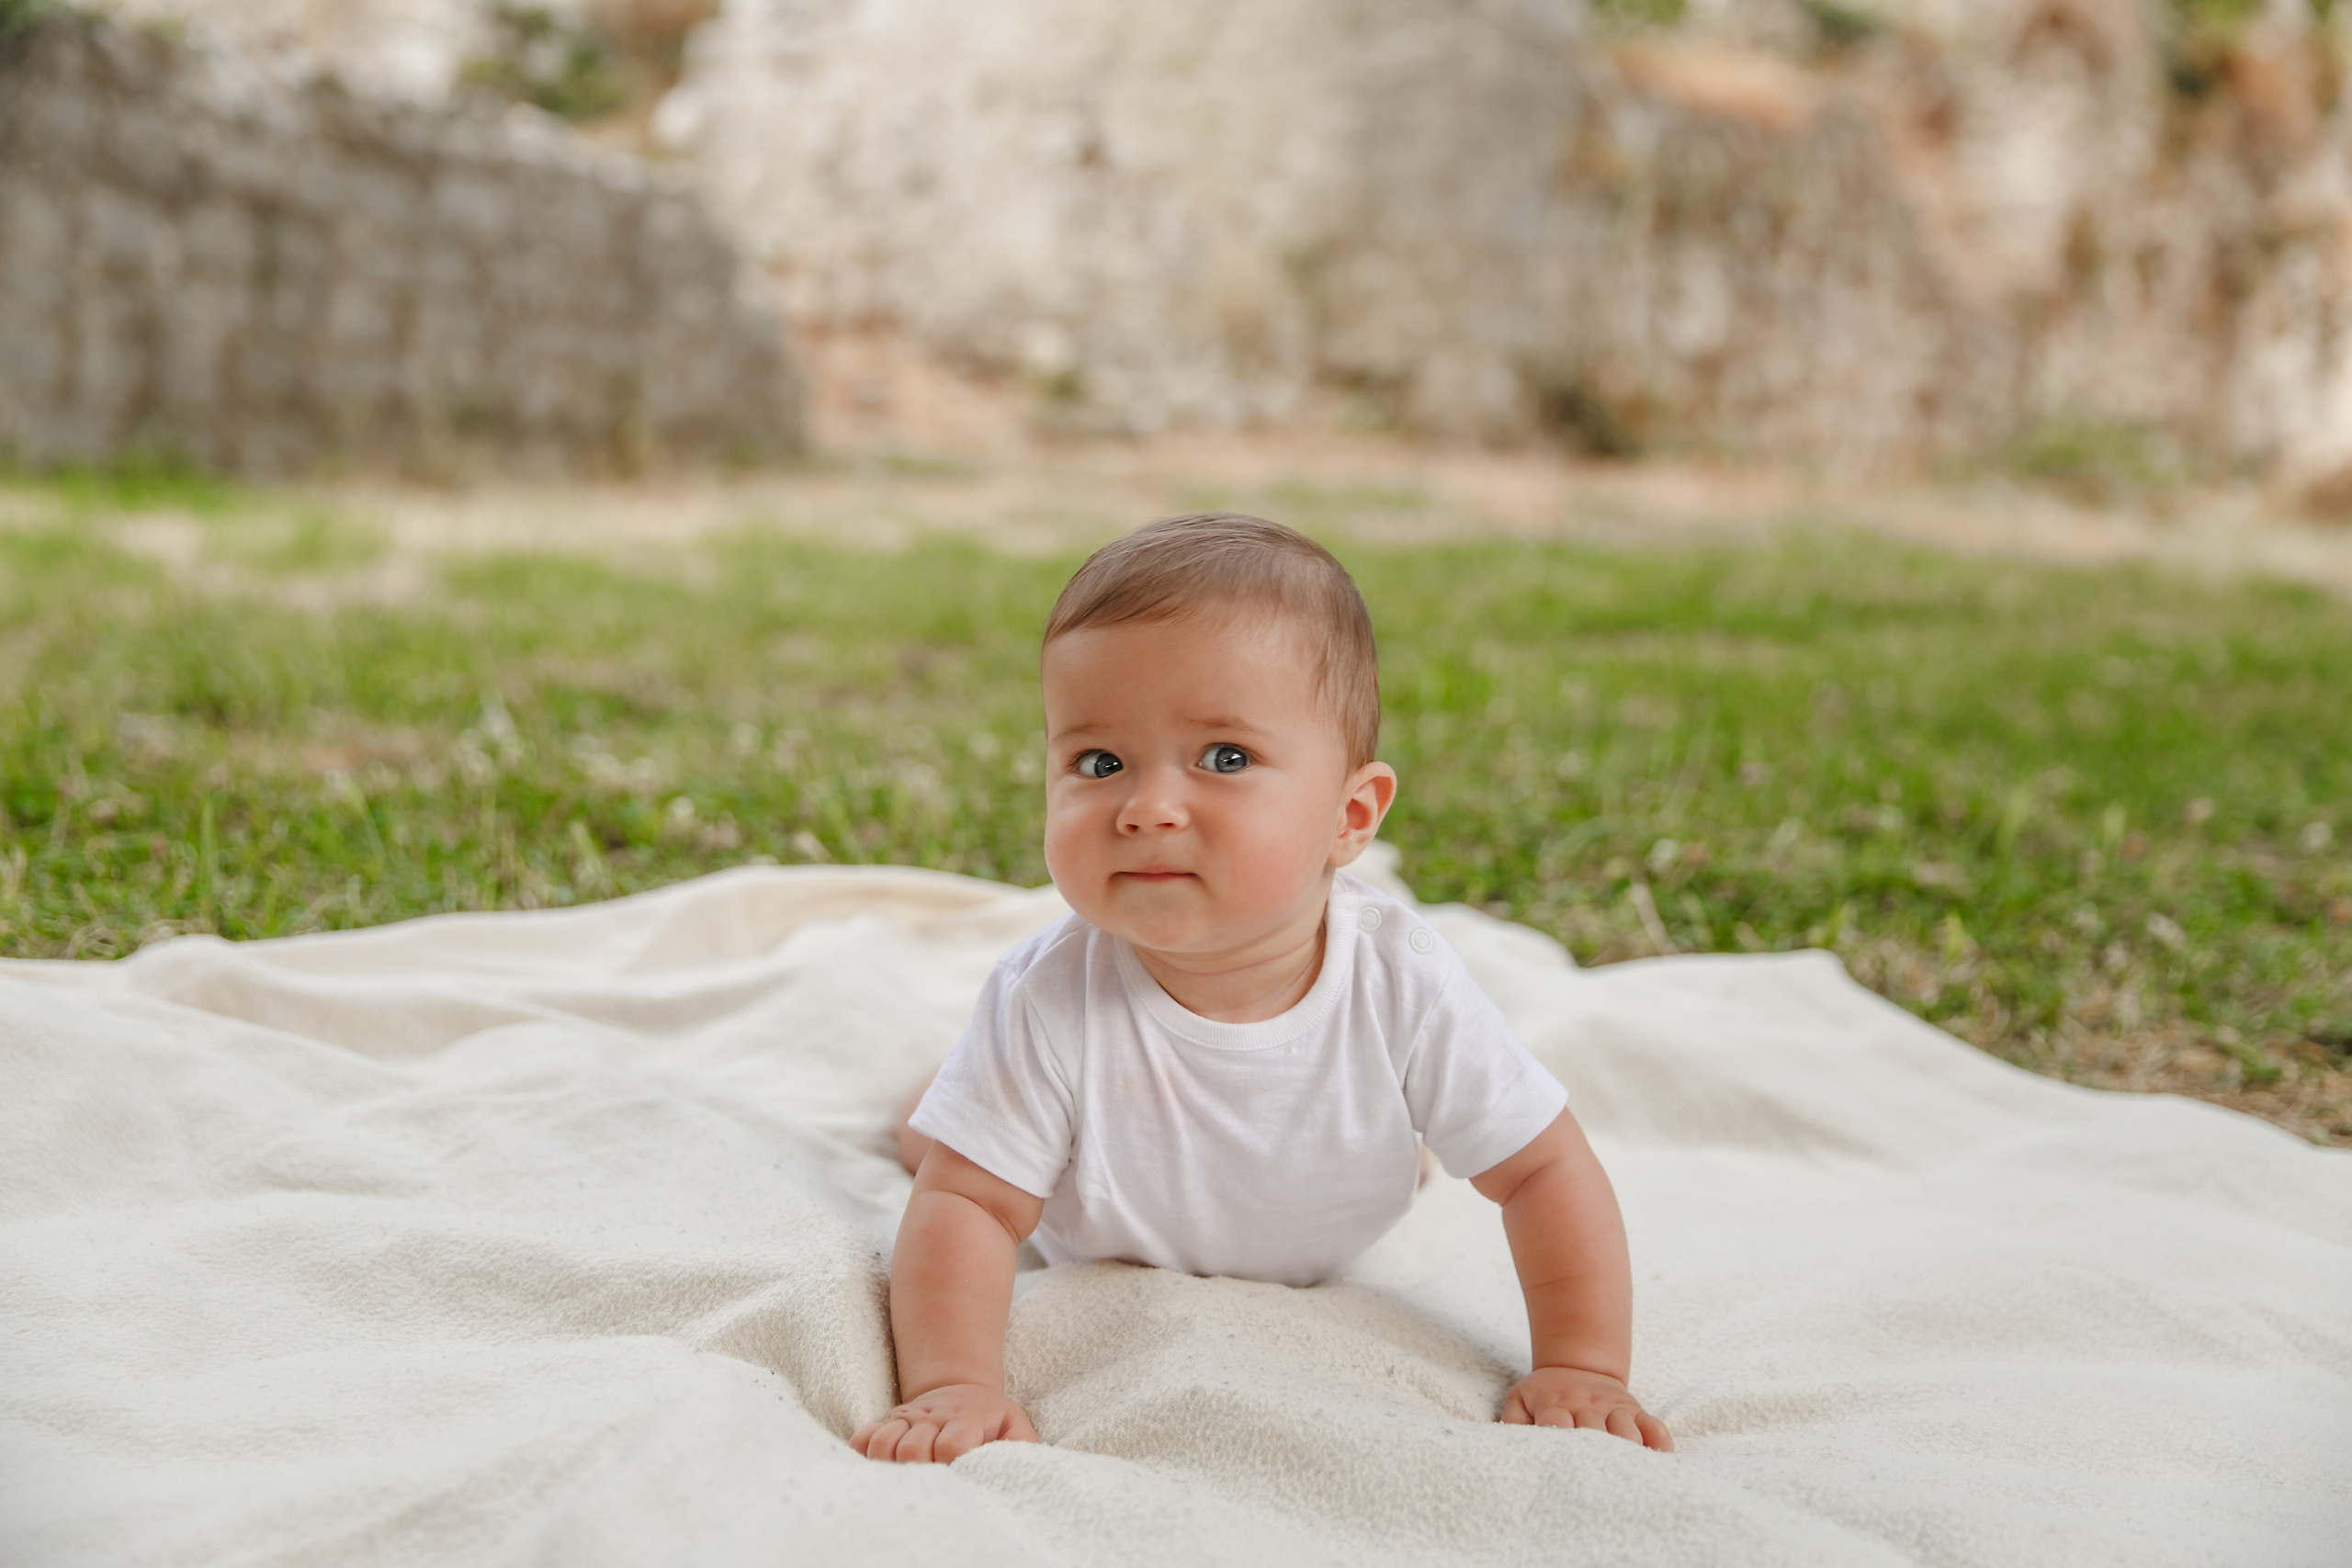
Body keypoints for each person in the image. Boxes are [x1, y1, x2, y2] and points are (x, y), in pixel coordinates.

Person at [852, 513, 1673, 1463]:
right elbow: (973, 1211)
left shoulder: (1400, 980)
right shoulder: (1049, 997)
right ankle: (944, 1103)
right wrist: (956, 1386)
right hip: (1107, 1221)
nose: (1147, 807)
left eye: (1225, 759)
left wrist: (1583, 1365)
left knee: (1418, 1129)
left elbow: (1542, 1169)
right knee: (951, 1150)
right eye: (1098, 762)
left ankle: (1376, 1146)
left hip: (1328, 1214)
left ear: (1350, 814)